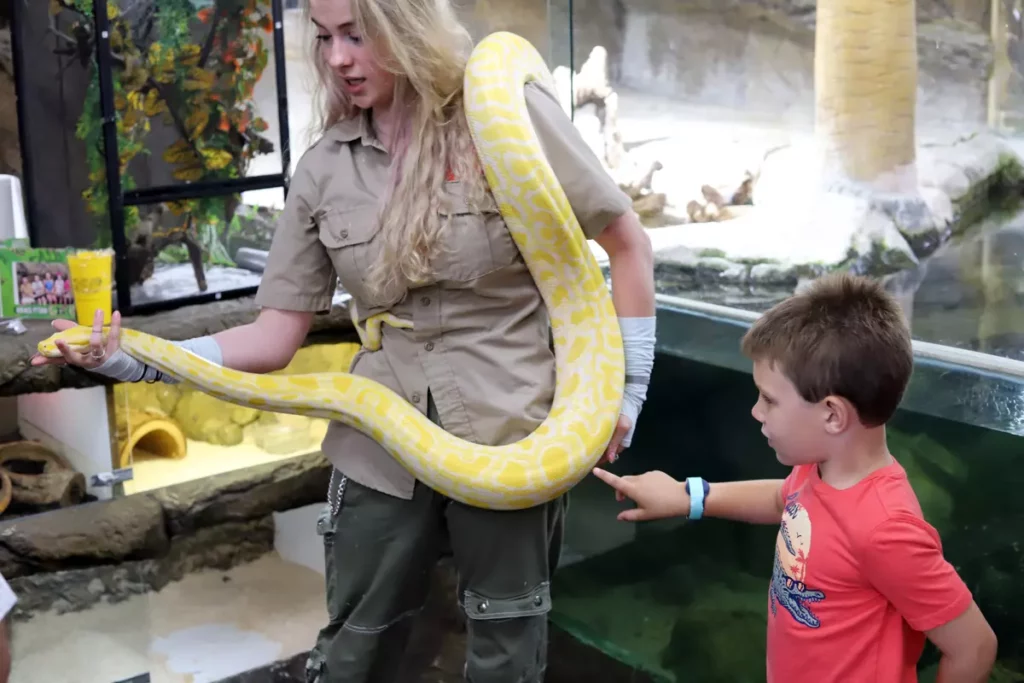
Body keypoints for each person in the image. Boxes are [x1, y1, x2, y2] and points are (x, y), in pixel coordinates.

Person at [31, 0, 656, 680]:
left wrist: (628, 389)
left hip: (514, 426)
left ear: (407, 26)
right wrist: (132, 357)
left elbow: (626, 245)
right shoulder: (325, 166)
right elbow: (274, 336)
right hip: (379, 435)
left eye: (357, 36)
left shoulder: (500, 110)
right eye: (325, 38)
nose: (337, 59)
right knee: (357, 642)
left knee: (507, 649)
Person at [593, 272, 997, 683]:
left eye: (769, 399)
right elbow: (782, 500)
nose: (756, 411)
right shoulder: (817, 467)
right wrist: (688, 496)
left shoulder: (886, 530)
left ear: (832, 414)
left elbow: (974, 647)